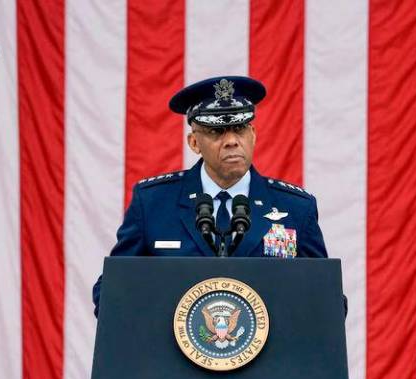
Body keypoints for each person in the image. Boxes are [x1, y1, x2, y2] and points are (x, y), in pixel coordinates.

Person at [92, 76, 328, 316]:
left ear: (253, 135)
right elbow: (112, 290)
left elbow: (325, 297)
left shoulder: (296, 208)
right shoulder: (152, 204)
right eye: (216, 132)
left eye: (239, 128)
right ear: (194, 143)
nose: (232, 142)